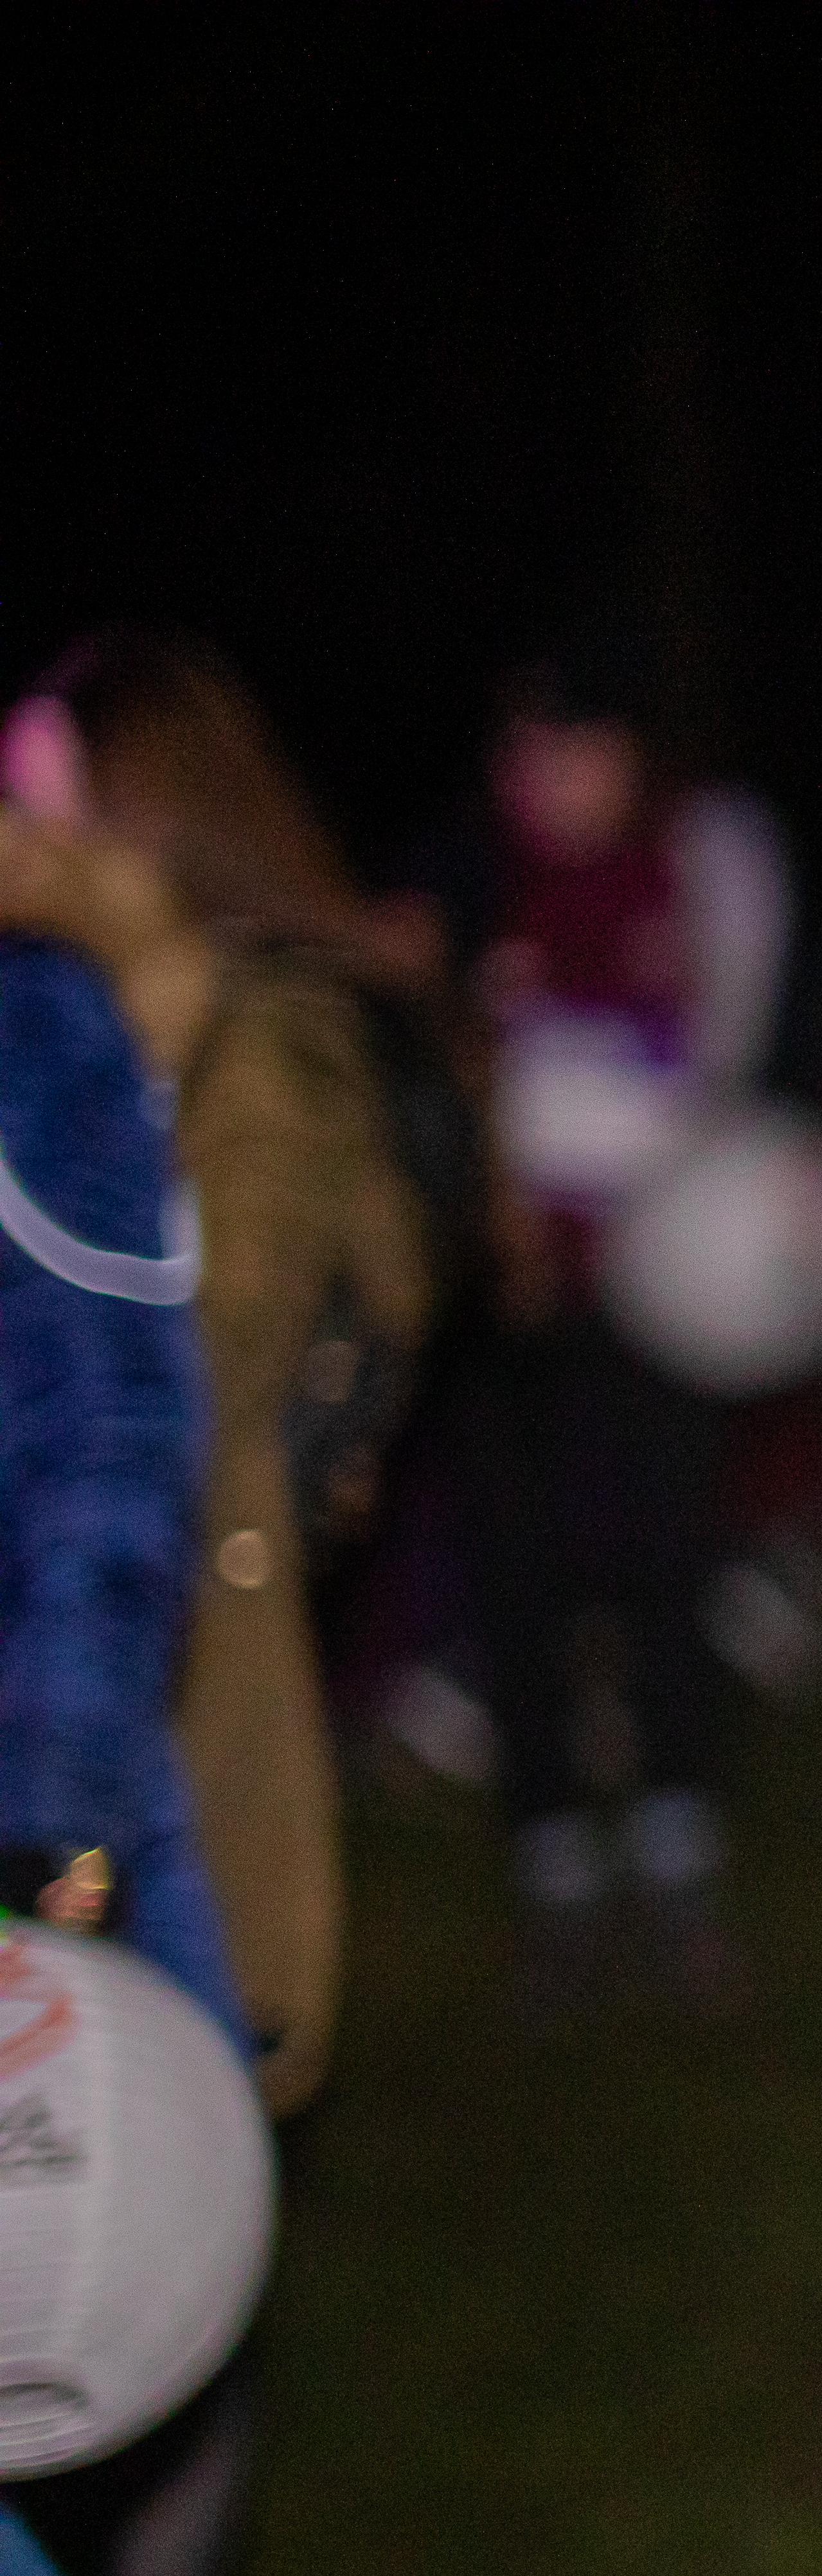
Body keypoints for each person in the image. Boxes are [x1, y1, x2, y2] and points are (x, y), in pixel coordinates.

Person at [4, 635, 438, 2115]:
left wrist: (154, 1010)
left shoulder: (262, 1036)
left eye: (48, 807)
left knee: (152, 2139)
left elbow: (194, 1353)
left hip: (186, 1655)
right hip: (116, 1641)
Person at [0, 883, 249, 2576]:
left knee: (117, 2303)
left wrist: (60, 1821)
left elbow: (107, 1436)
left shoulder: (35, 1033)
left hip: (27, 1809)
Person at [444, 626, 793, 2006]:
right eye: (526, 745)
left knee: (664, 1558)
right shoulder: (470, 878)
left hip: (660, 1279)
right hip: (512, 1291)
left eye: (577, 743)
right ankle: (554, 1867)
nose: (549, 773)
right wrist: (491, 1200)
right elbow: (432, 1061)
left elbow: (727, 1060)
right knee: (516, 1569)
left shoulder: (702, 862)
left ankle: (676, 1845)